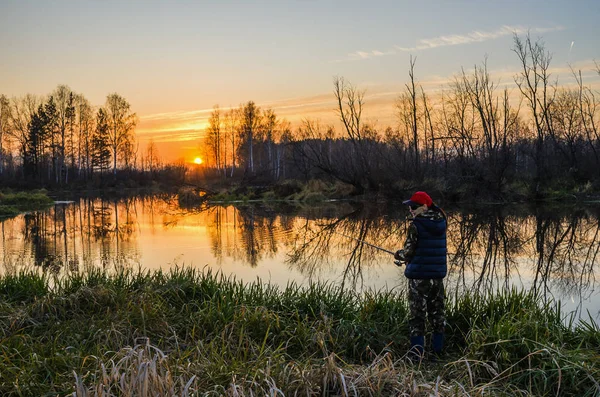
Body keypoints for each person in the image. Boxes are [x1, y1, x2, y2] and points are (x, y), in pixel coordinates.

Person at [394, 191, 447, 359]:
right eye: (410, 207)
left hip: (419, 278)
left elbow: (408, 253)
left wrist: (398, 254)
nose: (411, 210)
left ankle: (416, 355)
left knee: (417, 316)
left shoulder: (416, 225)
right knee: (437, 314)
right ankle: (438, 352)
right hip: (437, 278)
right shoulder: (442, 221)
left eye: (414, 207)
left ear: (425, 206)